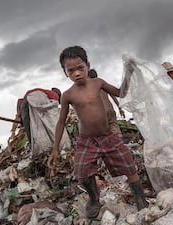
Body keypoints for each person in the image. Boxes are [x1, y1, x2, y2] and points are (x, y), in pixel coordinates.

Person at [47, 46, 148, 219]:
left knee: (129, 166)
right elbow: (61, 122)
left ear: (87, 65)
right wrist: (55, 148)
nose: (77, 73)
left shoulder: (98, 83)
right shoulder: (67, 95)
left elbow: (121, 93)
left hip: (107, 135)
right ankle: (94, 198)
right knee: (81, 171)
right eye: (71, 70)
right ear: (65, 73)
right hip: (86, 140)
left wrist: (129, 73)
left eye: (80, 68)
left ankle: (140, 198)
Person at [16, 87, 71, 159]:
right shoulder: (54, 94)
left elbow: (19, 102)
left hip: (26, 103)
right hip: (32, 101)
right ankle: (54, 146)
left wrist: (20, 117)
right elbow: (53, 115)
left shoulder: (44, 93)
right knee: (52, 124)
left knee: (30, 128)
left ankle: (35, 150)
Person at [88, 69, 125, 137]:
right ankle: (119, 144)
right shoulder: (102, 84)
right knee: (115, 130)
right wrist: (120, 108)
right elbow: (113, 96)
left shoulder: (89, 87)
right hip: (110, 110)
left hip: (100, 113)